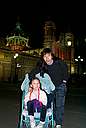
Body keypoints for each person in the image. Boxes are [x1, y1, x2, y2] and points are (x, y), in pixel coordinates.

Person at [30, 48, 68, 128]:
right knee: (52, 105)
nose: (47, 58)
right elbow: (32, 73)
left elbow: (65, 70)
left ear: (52, 56)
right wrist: (31, 83)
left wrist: (64, 81)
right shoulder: (43, 65)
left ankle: (58, 123)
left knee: (59, 105)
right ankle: (54, 119)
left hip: (60, 86)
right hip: (50, 88)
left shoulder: (59, 62)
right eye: (45, 56)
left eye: (48, 56)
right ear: (43, 58)